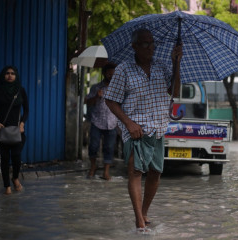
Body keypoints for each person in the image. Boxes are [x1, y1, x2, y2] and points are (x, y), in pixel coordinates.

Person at [104, 28, 183, 231]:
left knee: (156, 173)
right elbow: (111, 100)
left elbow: (175, 91)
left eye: (152, 44)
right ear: (135, 46)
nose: (150, 48)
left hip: (158, 127)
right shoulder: (124, 69)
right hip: (136, 129)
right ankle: (139, 220)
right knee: (136, 172)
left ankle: (145, 211)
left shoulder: (162, 66)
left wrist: (177, 63)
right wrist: (128, 123)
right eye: (145, 44)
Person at [0, 66, 29, 195]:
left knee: (16, 156)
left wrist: (22, 124)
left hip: (17, 130)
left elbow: (26, 109)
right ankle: (6, 186)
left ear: (16, 76)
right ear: (3, 75)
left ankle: (15, 178)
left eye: (12, 73)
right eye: (7, 73)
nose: (10, 75)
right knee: (4, 158)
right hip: (1, 129)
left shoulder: (20, 90)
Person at [85, 62, 118, 180]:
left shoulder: (118, 89)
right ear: (104, 73)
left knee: (109, 148)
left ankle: (106, 172)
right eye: (109, 73)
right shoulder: (96, 87)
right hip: (97, 121)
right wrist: (96, 97)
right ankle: (93, 167)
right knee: (93, 146)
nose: (111, 76)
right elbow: (87, 102)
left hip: (112, 122)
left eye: (113, 74)